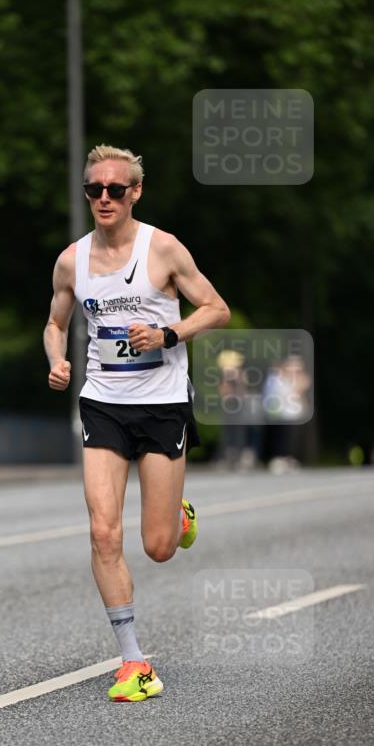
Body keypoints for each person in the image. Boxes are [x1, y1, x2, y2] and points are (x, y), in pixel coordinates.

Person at [44, 144, 230, 702]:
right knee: (103, 531)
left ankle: (176, 513)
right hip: (102, 402)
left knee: (159, 546)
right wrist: (56, 359)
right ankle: (134, 662)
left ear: (135, 193)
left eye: (115, 189)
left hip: (162, 403)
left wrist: (167, 334)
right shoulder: (71, 260)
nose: (104, 197)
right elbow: (55, 323)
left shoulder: (163, 249)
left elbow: (217, 309)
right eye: (94, 189)